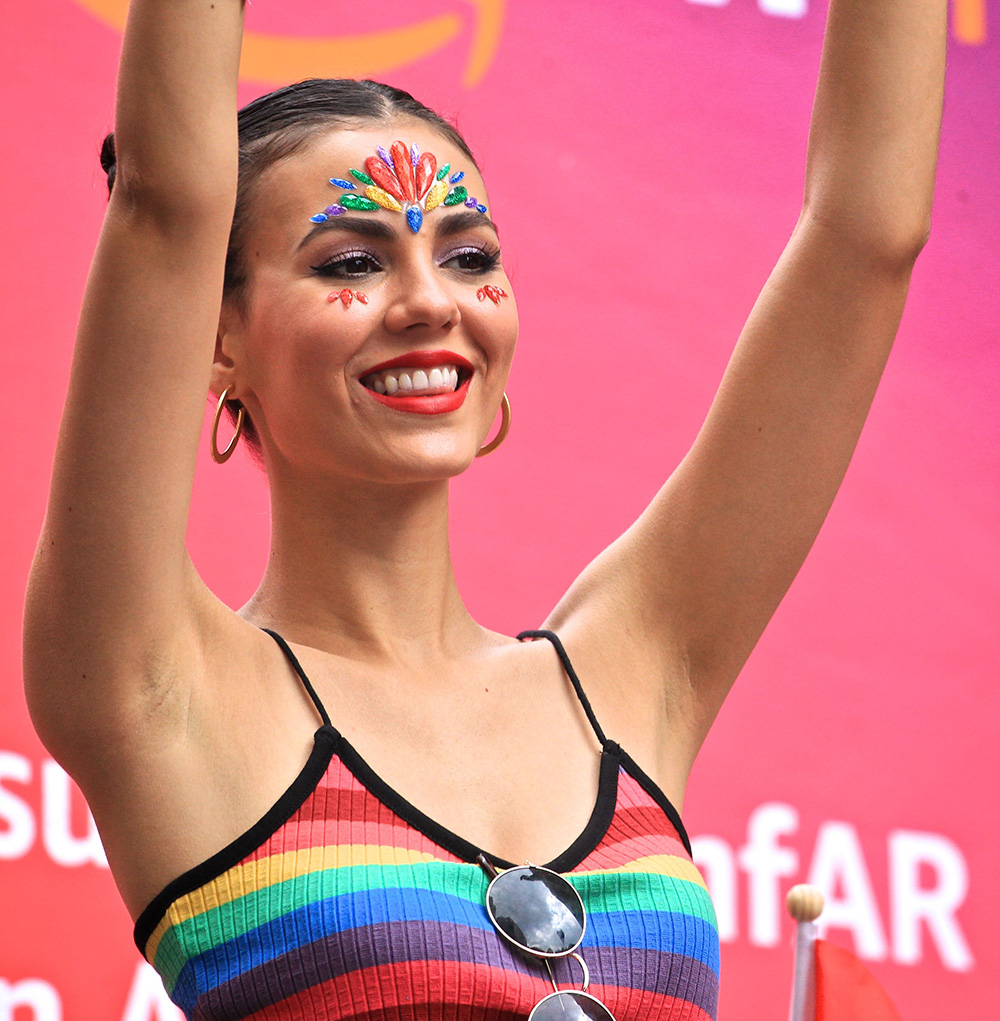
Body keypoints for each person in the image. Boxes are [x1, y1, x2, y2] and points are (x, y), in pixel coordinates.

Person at [22, 0, 945, 1018]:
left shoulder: (629, 671)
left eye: (469, 257)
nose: (432, 302)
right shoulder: (158, 691)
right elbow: (164, 205)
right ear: (215, 338)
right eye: (351, 263)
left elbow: (866, 235)